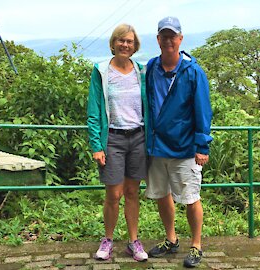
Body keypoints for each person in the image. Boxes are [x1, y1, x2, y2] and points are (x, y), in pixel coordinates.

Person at [144, 16, 213, 268]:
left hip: (184, 148)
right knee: (163, 195)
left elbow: (203, 110)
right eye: (164, 36)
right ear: (158, 39)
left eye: (173, 36)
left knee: (191, 197)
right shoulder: (151, 67)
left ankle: (196, 245)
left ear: (180, 39)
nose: (168, 40)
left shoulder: (193, 72)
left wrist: (202, 146)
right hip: (157, 146)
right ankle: (171, 239)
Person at [86, 23, 149, 262]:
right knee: (113, 193)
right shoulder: (101, 71)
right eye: (121, 40)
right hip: (111, 138)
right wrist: (96, 145)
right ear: (113, 43)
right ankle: (108, 240)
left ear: (135, 47)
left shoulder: (141, 71)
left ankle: (133, 242)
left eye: (129, 41)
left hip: (138, 137)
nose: (125, 44)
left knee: (133, 192)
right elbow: (94, 111)